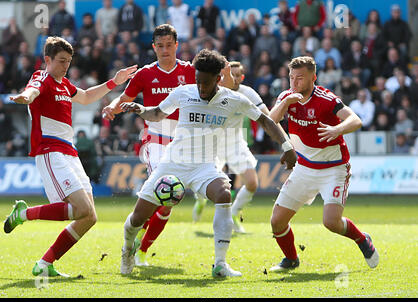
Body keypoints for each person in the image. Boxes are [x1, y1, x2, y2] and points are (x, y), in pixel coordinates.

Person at [105, 48, 297, 277]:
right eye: (197, 81)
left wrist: (287, 147)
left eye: (205, 83)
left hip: (204, 167)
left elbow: (265, 120)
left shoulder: (233, 99)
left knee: (224, 194)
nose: (201, 87)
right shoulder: (183, 92)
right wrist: (140, 109)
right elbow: (157, 113)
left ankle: (220, 264)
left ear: (218, 79)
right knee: (137, 218)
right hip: (173, 163)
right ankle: (128, 249)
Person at [3, 36, 137, 277]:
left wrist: (113, 83)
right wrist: (26, 96)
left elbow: (85, 97)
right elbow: (33, 89)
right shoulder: (42, 77)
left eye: (69, 61)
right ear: (47, 60)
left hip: (69, 153)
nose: (65, 66)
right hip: (50, 151)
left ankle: (44, 264)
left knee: (89, 216)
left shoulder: (64, 84)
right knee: (81, 209)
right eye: (61, 61)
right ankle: (22, 215)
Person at [102, 24, 234, 267]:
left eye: (169, 45)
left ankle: (141, 249)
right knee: (166, 192)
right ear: (154, 47)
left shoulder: (189, 71)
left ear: (177, 45)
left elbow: (214, 92)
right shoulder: (144, 74)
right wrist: (112, 107)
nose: (164, 50)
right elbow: (126, 98)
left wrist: (226, 80)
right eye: (159, 46)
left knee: (166, 206)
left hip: (187, 142)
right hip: (156, 140)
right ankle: (133, 241)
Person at [268, 56, 379, 271]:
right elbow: (269, 121)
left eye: (300, 78)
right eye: (291, 77)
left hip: (334, 169)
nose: (294, 83)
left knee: (331, 223)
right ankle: (291, 260)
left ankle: (362, 239)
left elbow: (355, 119)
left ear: (313, 78)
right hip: (304, 168)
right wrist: (285, 103)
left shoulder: (326, 98)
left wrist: (337, 129)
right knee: (277, 222)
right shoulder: (286, 97)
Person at [192, 61, 289, 234]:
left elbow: (268, 118)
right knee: (208, 186)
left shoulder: (248, 93)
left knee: (252, 183)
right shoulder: (213, 91)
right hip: (213, 144)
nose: (233, 78)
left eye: (237, 75)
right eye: (230, 74)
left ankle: (235, 214)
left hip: (236, 143)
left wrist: (286, 143)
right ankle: (200, 201)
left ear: (242, 77)